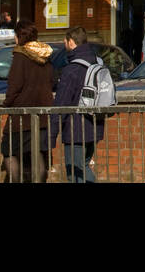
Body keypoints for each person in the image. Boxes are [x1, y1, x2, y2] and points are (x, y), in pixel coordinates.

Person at [50, 26, 106, 183]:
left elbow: (61, 104)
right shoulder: (97, 62)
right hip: (94, 126)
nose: (64, 45)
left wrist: (51, 135)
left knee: (75, 173)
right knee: (84, 166)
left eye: (65, 42)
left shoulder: (71, 69)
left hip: (75, 130)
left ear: (71, 42)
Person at [2, 21, 54, 183]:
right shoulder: (45, 56)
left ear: (19, 36)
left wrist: (7, 102)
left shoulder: (20, 56)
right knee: (37, 153)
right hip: (42, 115)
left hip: (21, 116)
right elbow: (52, 81)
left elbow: (14, 84)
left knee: (9, 152)